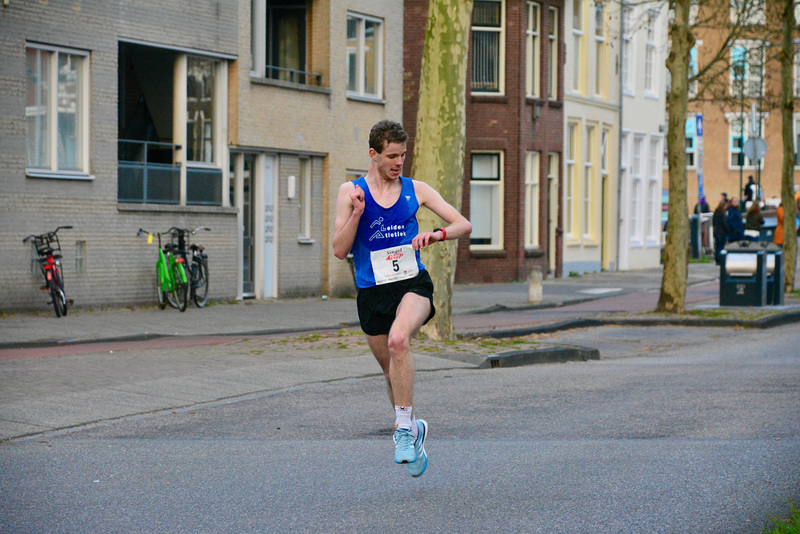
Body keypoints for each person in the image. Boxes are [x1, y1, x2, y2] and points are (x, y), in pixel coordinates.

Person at [332, 120, 472, 477]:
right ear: (373, 154)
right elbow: (338, 249)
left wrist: (436, 234)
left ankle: (403, 433)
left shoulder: (416, 189)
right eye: (392, 156)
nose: (399, 163)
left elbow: (462, 224)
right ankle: (413, 429)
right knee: (390, 370)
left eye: (403, 155)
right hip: (371, 291)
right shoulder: (351, 192)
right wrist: (359, 214)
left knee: (399, 342)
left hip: (412, 284)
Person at [712, 196, 729, 265]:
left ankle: (717, 259)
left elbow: (713, 222)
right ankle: (720, 260)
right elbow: (725, 223)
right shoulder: (723, 214)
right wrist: (728, 231)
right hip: (722, 232)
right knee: (721, 246)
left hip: (716, 231)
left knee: (717, 246)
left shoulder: (716, 213)